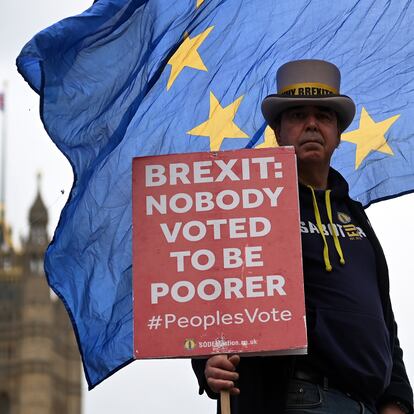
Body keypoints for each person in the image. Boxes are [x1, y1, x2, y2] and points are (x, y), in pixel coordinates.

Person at [192, 59, 413, 414]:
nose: (311, 124)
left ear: (339, 134)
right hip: (297, 398)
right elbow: (211, 293)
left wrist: (398, 400)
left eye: (324, 116)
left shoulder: (356, 217)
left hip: (368, 405)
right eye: (297, 115)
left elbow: (383, 319)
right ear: (278, 131)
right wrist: (206, 361)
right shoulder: (248, 206)